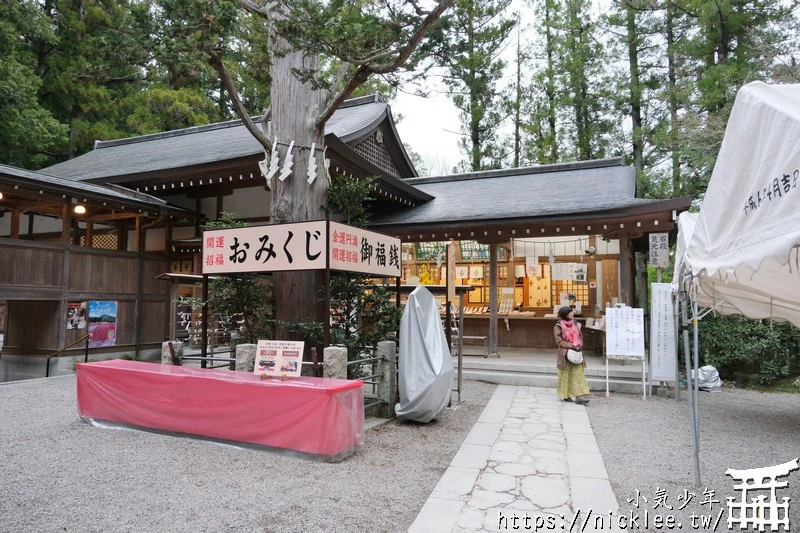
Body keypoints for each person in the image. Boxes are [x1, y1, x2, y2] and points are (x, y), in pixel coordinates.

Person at [554, 306, 590, 405]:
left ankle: (579, 396)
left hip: (576, 352)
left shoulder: (576, 324)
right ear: (564, 314)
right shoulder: (558, 326)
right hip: (565, 354)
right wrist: (570, 345)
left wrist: (579, 344)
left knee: (578, 374)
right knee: (566, 374)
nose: (572, 314)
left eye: (571, 312)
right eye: (569, 312)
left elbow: (580, 336)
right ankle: (566, 395)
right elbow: (559, 340)